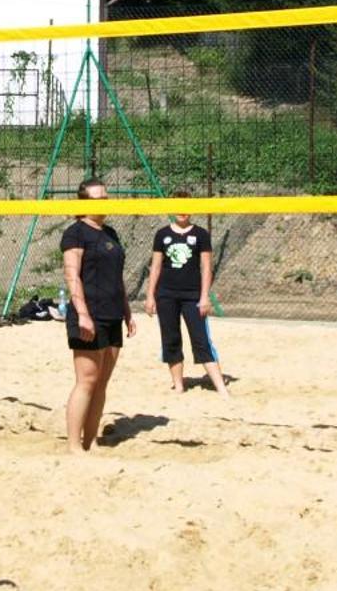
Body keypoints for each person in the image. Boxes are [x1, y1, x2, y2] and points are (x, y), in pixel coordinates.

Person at [62, 177, 135, 453]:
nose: (105, 202)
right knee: (86, 381)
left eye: (106, 197)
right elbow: (72, 275)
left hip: (113, 314)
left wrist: (127, 313)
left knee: (101, 382)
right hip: (89, 314)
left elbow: (117, 278)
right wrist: (82, 313)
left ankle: (90, 440)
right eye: (98, 199)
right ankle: (73, 445)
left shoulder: (111, 233)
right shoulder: (75, 232)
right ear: (83, 203)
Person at [144, 205, 225, 395]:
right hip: (166, 295)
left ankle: (221, 387)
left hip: (193, 295)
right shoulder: (162, 234)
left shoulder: (201, 234)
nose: (182, 211)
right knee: (170, 338)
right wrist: (150, 296)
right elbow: (155, 267)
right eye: (178, 207)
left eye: (187, 207)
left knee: (201, 339)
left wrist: (205, 296)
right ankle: (178, 386)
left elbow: (206, 267)